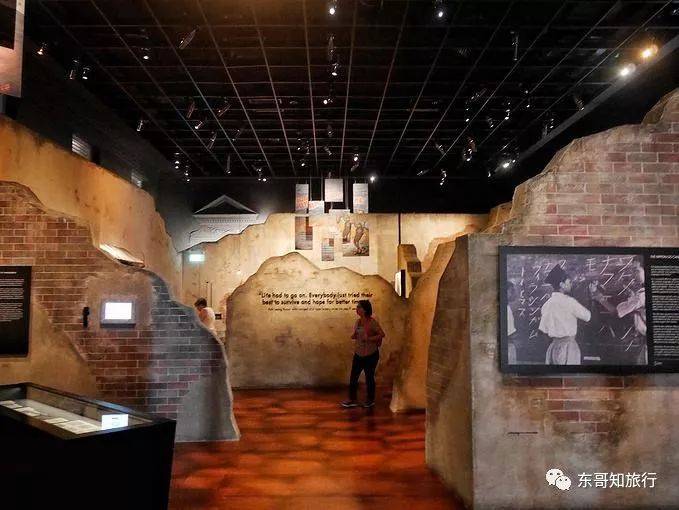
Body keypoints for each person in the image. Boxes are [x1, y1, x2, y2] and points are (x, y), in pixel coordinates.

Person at [591, 260, 647, 364]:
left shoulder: (641, 296)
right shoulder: (641, 293)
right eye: (632, 270)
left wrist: (599, 297)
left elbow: (616, 312)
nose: (633, 274)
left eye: (637, 270)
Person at [539, 264, 595, 365]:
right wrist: (591, 295)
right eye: (569, 282)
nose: (571, 284)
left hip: (552, 348)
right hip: (568, 348)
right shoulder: (569, 302)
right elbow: (588, 316)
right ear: (561, 284)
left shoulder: (546, 305)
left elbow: (543, 331)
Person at [341, 300, 385, 408]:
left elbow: (381, 334)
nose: (357, 309)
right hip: (359, 353)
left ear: (365, 310)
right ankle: (352, 399)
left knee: (369, 377)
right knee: (353, 377)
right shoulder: (358, 322)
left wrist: (369, 338)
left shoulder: (372, 322)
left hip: (370, 354)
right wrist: (354, 336)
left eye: (359, 307)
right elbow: (357, 334)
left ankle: (370, 400)